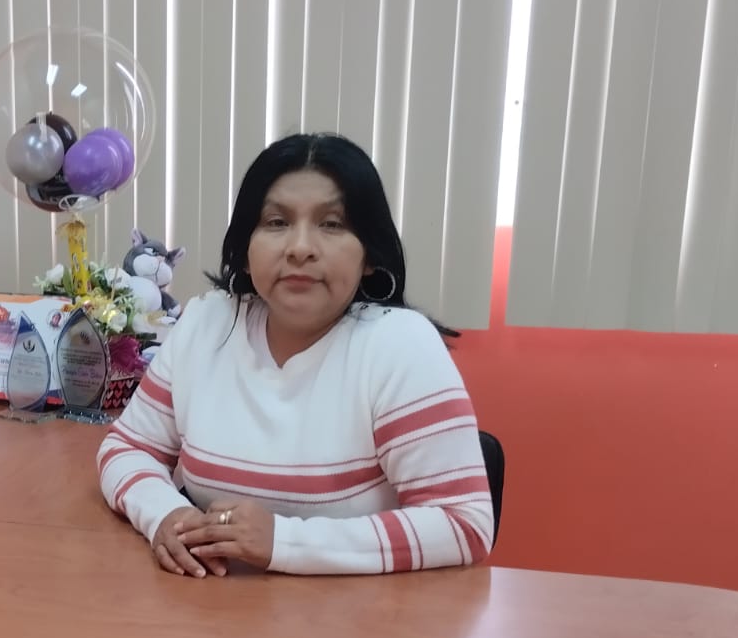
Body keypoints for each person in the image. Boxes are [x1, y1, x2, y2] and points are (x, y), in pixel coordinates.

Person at [97, 133, 493, 577]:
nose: (300, 247)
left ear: (368, 254)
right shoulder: (206, 323)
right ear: (246, 249)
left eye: (332, 224)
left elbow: (465, 523)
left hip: (356, 613)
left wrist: (283, 541)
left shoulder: (400, 346)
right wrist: (165, 514)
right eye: (276, 222)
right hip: (209, 604)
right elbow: (127, 448)